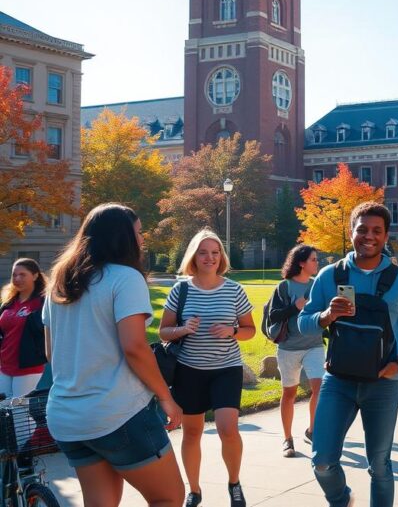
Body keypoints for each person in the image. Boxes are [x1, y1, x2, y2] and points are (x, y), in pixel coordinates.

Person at [43, 203, 185, 507]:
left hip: (67, 416)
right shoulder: (125, 278)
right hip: (117, 413)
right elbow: (134, 347)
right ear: (122, 237)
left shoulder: (59, 281)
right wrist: (166, 398)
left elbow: (51, 352)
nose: (142, 240)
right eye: (138, 232)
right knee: (169, 498)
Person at [298, 202, 398, 507]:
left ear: (385, 237)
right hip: (338, 381)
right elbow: (303, 323)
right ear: (351, 231)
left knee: (380, 466)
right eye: (362, 229)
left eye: (376, 231)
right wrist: (326, 316)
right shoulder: (331, 275)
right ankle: (341, 499)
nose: (368, 236)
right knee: (322, 461)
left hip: (382, 383)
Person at [161, 229, 256, 507]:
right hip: (190, 371)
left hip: (226, 368)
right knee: (192, 433)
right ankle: (194, 490)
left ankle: (234, 483)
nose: (209, 257)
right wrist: (181, 329)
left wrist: (232, 330)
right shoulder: (182, 289)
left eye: (215, 253)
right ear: (193, 256)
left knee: (228, 428)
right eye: (203, 252)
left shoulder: (233, 289)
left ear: (221, 257)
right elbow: (164, 331)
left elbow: (250, 331)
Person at [267, 245, 323, 458]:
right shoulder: (284, 287)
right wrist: (295, 307)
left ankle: (312, 431)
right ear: (301, 262)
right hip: (289, 347)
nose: (317, 263)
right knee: (289, 393)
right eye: (313, 260)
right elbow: (273, 316)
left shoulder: (318, 286)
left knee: (320, 388)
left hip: (315, 345)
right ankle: (287, 438)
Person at [0, 258, 47, 398]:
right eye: (14, 275)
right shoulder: (9, 302)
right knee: (4, 407)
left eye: (22, 274)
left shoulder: (43, 302)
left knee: (19, 411)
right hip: (5, 364)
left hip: (28, 366)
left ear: (35, 275)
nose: (17, 278)